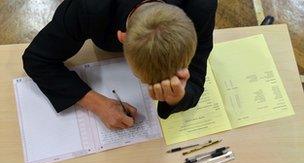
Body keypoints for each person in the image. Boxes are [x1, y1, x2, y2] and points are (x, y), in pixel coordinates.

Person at [22, 0, 217, 130]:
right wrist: (96, 103)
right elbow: (36, 59)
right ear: (121, 38)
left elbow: (196, 75)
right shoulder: (89, 8)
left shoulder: (201, 6)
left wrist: (179, 96)